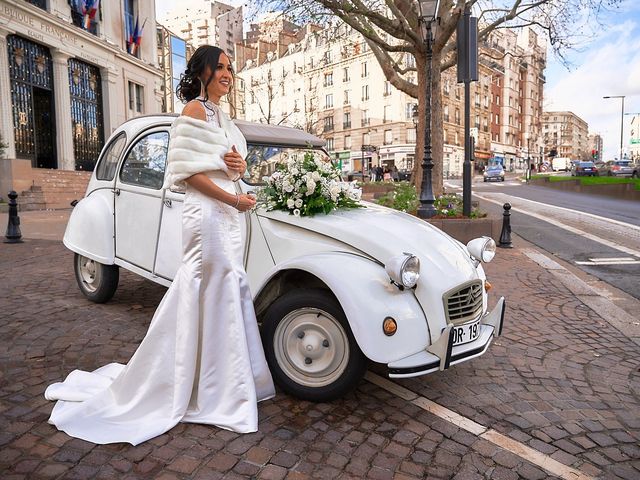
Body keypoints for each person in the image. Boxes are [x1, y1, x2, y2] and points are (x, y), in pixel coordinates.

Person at [44, 45, 275, 446]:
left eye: (230, 68)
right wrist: (235, 199)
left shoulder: (221, 116)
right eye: (219, 67)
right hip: (207, 215)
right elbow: (188, 175)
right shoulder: (192, 111)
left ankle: (219, 381)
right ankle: (202, 385)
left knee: (225, 286)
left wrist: (238, 170)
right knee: (207, 284)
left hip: (227, 213)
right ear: (202, 72)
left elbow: (227, 165)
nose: (227, 73)